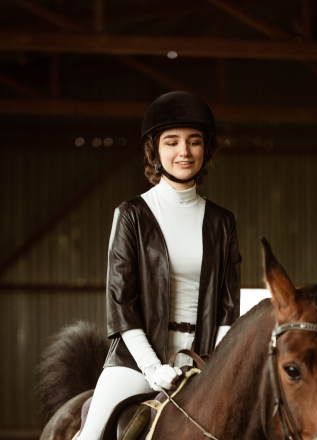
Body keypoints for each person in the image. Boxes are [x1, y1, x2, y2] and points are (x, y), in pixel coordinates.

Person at [78, 91, 241, 440]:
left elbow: (228, 310)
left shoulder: (223, 223)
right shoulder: (131, 216)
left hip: (203, 365)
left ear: (205, 150)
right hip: (137, 363)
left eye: (194, 142)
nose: (184, 151)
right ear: (155, 150)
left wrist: (218, 366)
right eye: (172, 142)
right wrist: (153, 369)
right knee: (91, 436)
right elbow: (121, 306)